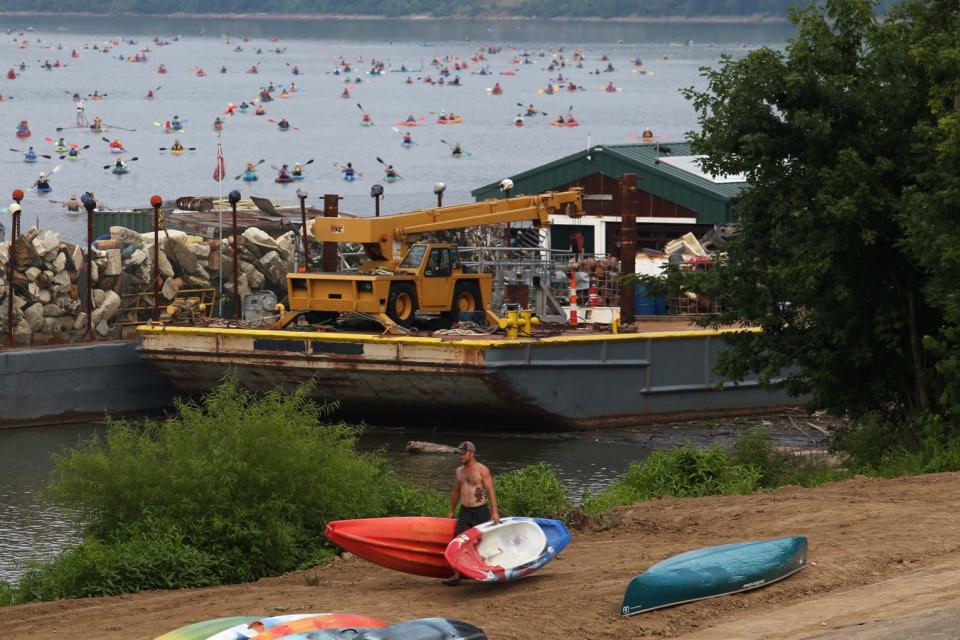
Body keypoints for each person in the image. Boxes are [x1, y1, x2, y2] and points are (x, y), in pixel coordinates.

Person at [444, 441, 499, 586]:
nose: (460, 456)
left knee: (484, 542)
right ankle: (457, 574)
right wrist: (451, 511)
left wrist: (495, 512)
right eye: (459, 454)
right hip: (465, 511)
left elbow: (490, 490)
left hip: (480, 510)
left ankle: (490, 571)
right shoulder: (459, 471)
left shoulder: (482, 469)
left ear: (472, 453)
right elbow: (456, 491)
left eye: (463, 453)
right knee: (458, 541)